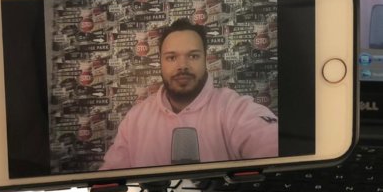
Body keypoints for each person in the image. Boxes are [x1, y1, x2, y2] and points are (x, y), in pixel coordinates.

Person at [100, 18, 278, 170]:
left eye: (193, 56)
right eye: (171, 57)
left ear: (205, 59)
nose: (182, 66)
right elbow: (109, 180)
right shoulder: (135, 119)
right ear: (160, 62)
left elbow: (271, 146)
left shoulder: (235, 109)